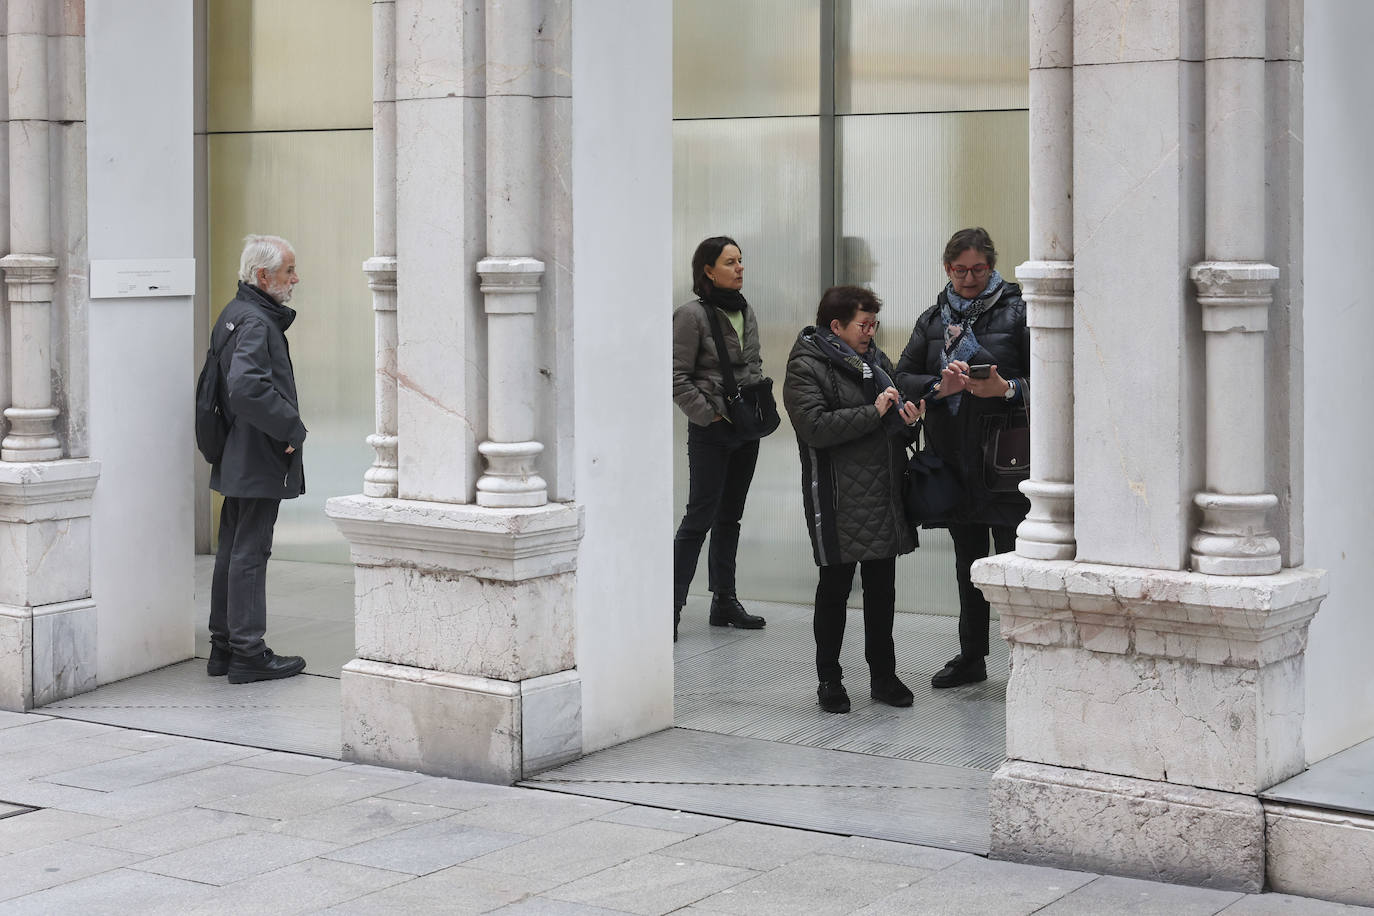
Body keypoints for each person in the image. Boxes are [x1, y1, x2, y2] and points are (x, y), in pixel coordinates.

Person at [896, 227, 1029, 689]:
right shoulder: (933, 319)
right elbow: (901, 376)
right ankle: (972, 656)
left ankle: (1025, 663)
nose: (969, 279)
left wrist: (1006, 389)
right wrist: (940, 386)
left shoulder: (1020, 311)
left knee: (1015, 568)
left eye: (978, 269)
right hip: (953, 458)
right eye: (960, 270)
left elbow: (1055, 379)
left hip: (1007, 461)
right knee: (968, 567)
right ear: (946, 268)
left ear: (992, 266)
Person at [782, 286, 923, 713]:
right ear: (836, 326)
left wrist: (908, 420)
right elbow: (815, 428)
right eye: (863, 325)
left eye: (874, 324)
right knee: (835, 589)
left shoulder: (876, 362)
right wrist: (876, 413)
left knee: (882, 590)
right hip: (837, 495)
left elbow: (891, 420)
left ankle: (883, 675)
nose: (870, 332)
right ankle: (830, 679)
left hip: (882, 491)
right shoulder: (806, 365)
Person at [206, 234, 310, 684]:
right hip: (258, 450)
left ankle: (224, 648)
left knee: (232, 547)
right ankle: (248, 653)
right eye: (288, 270)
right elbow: (246, 386)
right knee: (250, 549)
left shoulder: (235, 313)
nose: (295, 278)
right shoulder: (256, 323)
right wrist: (290, 427)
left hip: (237, 448)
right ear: (263, 276)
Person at [671, 236, 769, 640]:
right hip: (712, 431)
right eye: (730, 262)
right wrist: (708, 414)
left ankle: (723, 601)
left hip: (746, 429)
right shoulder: (691, 315)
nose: (740, 268)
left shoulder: (745, 310)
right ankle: (670, 607)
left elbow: (754, 363)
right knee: (699, 518)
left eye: (741, 261)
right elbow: (676, 376)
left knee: (731, 516)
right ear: (708, 270)